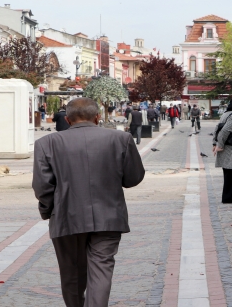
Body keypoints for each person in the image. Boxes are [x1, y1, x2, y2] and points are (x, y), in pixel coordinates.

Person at [33, 98, 145, 307]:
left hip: (67, 217)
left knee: (71, 273)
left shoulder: (46, 143)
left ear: (67, 119)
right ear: (97, 117)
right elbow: (133, 178)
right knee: (102, 269)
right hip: (109, 216)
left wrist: (48, 211)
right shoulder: (121, 139)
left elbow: (42, 186)